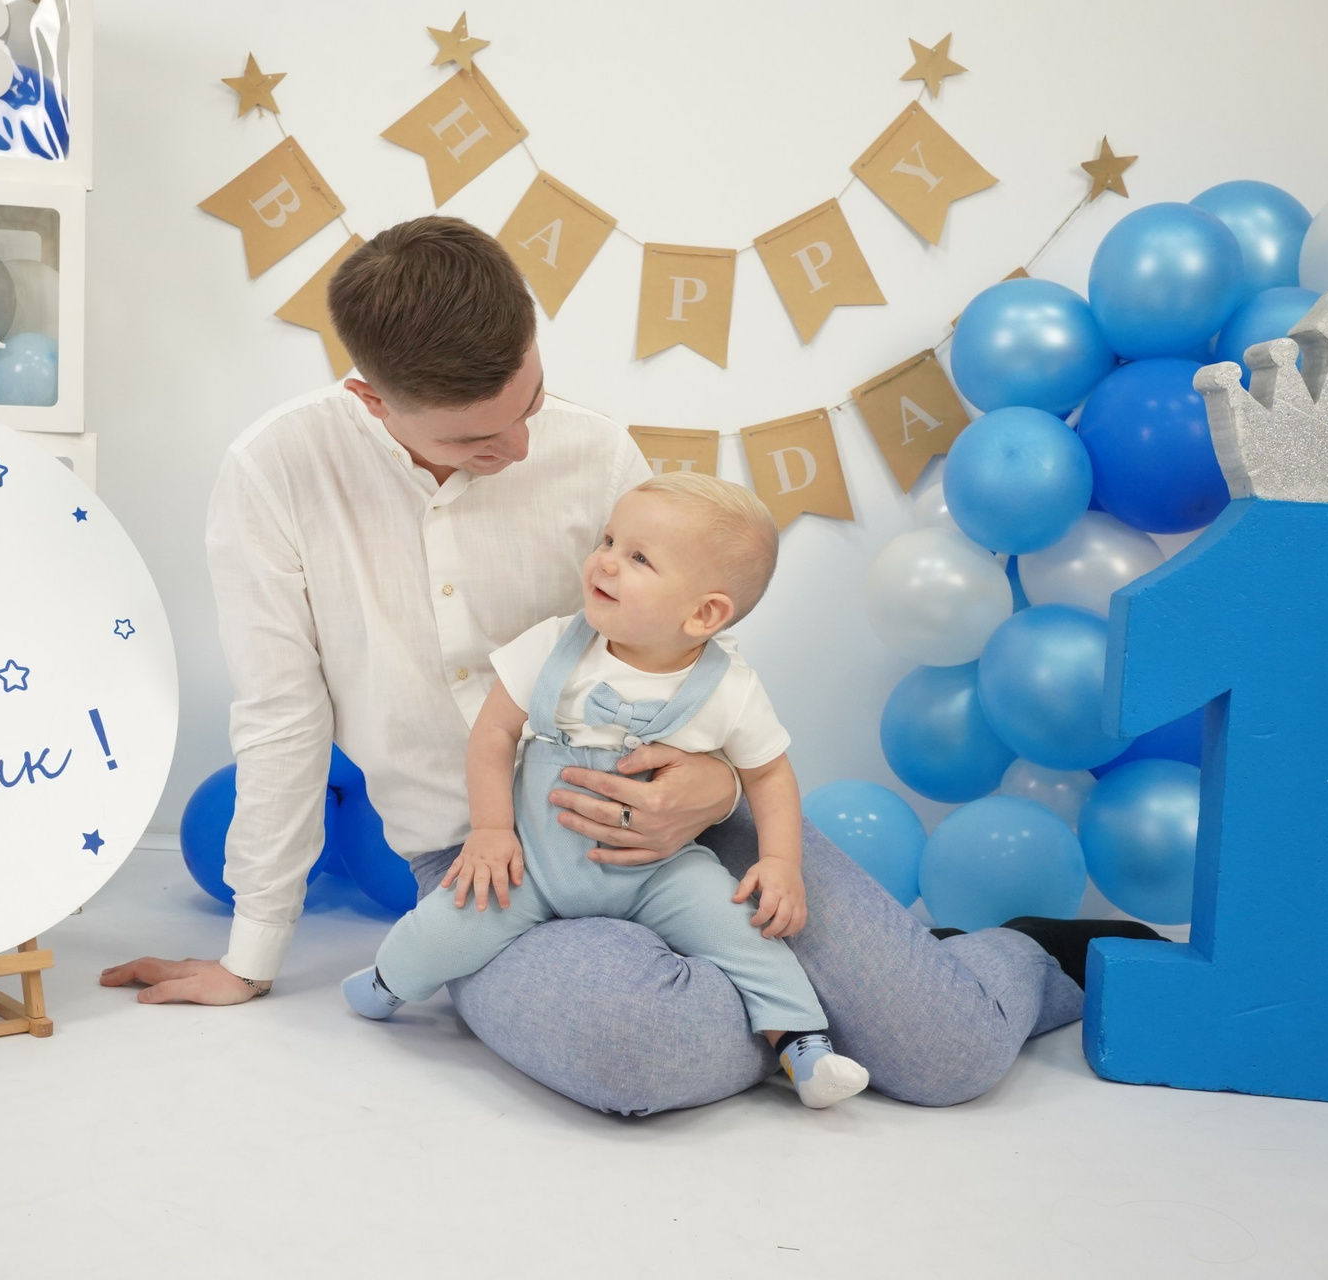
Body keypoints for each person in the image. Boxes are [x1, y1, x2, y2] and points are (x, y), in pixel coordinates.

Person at [102, 215, 1157, 1115]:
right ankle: (818, 1016)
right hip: (488, 869)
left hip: (686, 818)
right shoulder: (277, 474)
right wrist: (251, 954)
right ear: (372, 400)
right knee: (642, 1048)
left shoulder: (594, 450)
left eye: (531, 401)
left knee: (952, 1055)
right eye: (479, 440)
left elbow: (690, 647)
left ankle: (1000, 958)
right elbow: (282, 718)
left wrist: (717, 784)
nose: (522, 446)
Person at [342, 472, 868, 1109]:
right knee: (451, 922)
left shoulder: (728, 687)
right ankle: (386, 982)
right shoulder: (554, 646)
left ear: (704, 613)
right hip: (535, 865)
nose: (606, 561)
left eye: (639, 558)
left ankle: (804, 1047)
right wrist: (491, 830)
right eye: (609, 540)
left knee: (746, 933)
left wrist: (780, 862)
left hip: (659, 872)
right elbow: (493, 733)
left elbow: (769, 773)